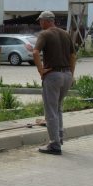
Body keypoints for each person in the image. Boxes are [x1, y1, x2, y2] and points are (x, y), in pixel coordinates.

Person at [32, 10, 77, 155]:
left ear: (46, 21)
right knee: (58, 108)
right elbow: (72, 55)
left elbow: (35, 52)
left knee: (50, 111)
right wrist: (71, 74)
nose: (40, 23)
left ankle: (54, 144)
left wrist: (40, 70)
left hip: (53, 75)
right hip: (67, 75)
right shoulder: (65, 34)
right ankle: (59, 137)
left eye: (40, 21)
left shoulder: (45, 34)